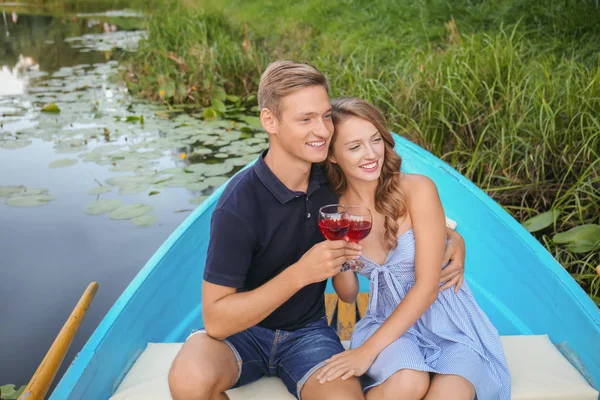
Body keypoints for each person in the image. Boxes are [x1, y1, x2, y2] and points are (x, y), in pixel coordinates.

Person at [168, 61, 468, 400]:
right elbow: (217, 321)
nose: (323, 131)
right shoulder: (238, 205)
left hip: (308, 334)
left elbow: (395, 205)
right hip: (241, 333)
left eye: (325, 116)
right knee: (189, 379)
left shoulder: (334, 179)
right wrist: (300, 274)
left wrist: (453, 239)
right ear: (270, 121)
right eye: (305, 119)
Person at [316, 97, 511, 400]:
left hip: (448, 321)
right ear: (332, 156)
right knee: (409, 383)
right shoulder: (335, 210)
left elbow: (428, 288)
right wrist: (340, 249)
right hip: (385, 320)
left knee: (450, 395)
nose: (371, 155)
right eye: (354, 147)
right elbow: (348, 294)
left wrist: (366, 352)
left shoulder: (417, 188)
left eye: (376, 140)